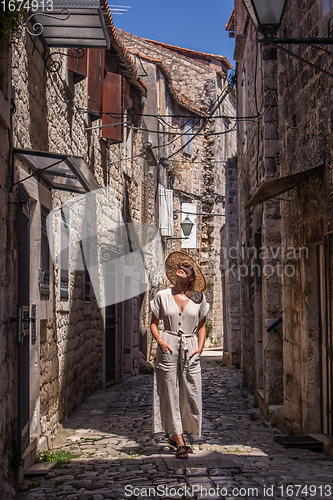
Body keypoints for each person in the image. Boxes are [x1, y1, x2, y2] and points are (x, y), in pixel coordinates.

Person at [150, 251, 209, 459]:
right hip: (169, 345)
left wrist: (200, 347)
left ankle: (181, 434)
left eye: (187, 267)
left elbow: (202, 325)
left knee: (191, 392)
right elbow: (153, 324)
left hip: (191, 347)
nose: (182, 267)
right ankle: (179, 438)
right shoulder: (162, 296)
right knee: (170, 392)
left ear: (192, 277)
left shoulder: (199, 298)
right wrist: (160, 341)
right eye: (180, 265)